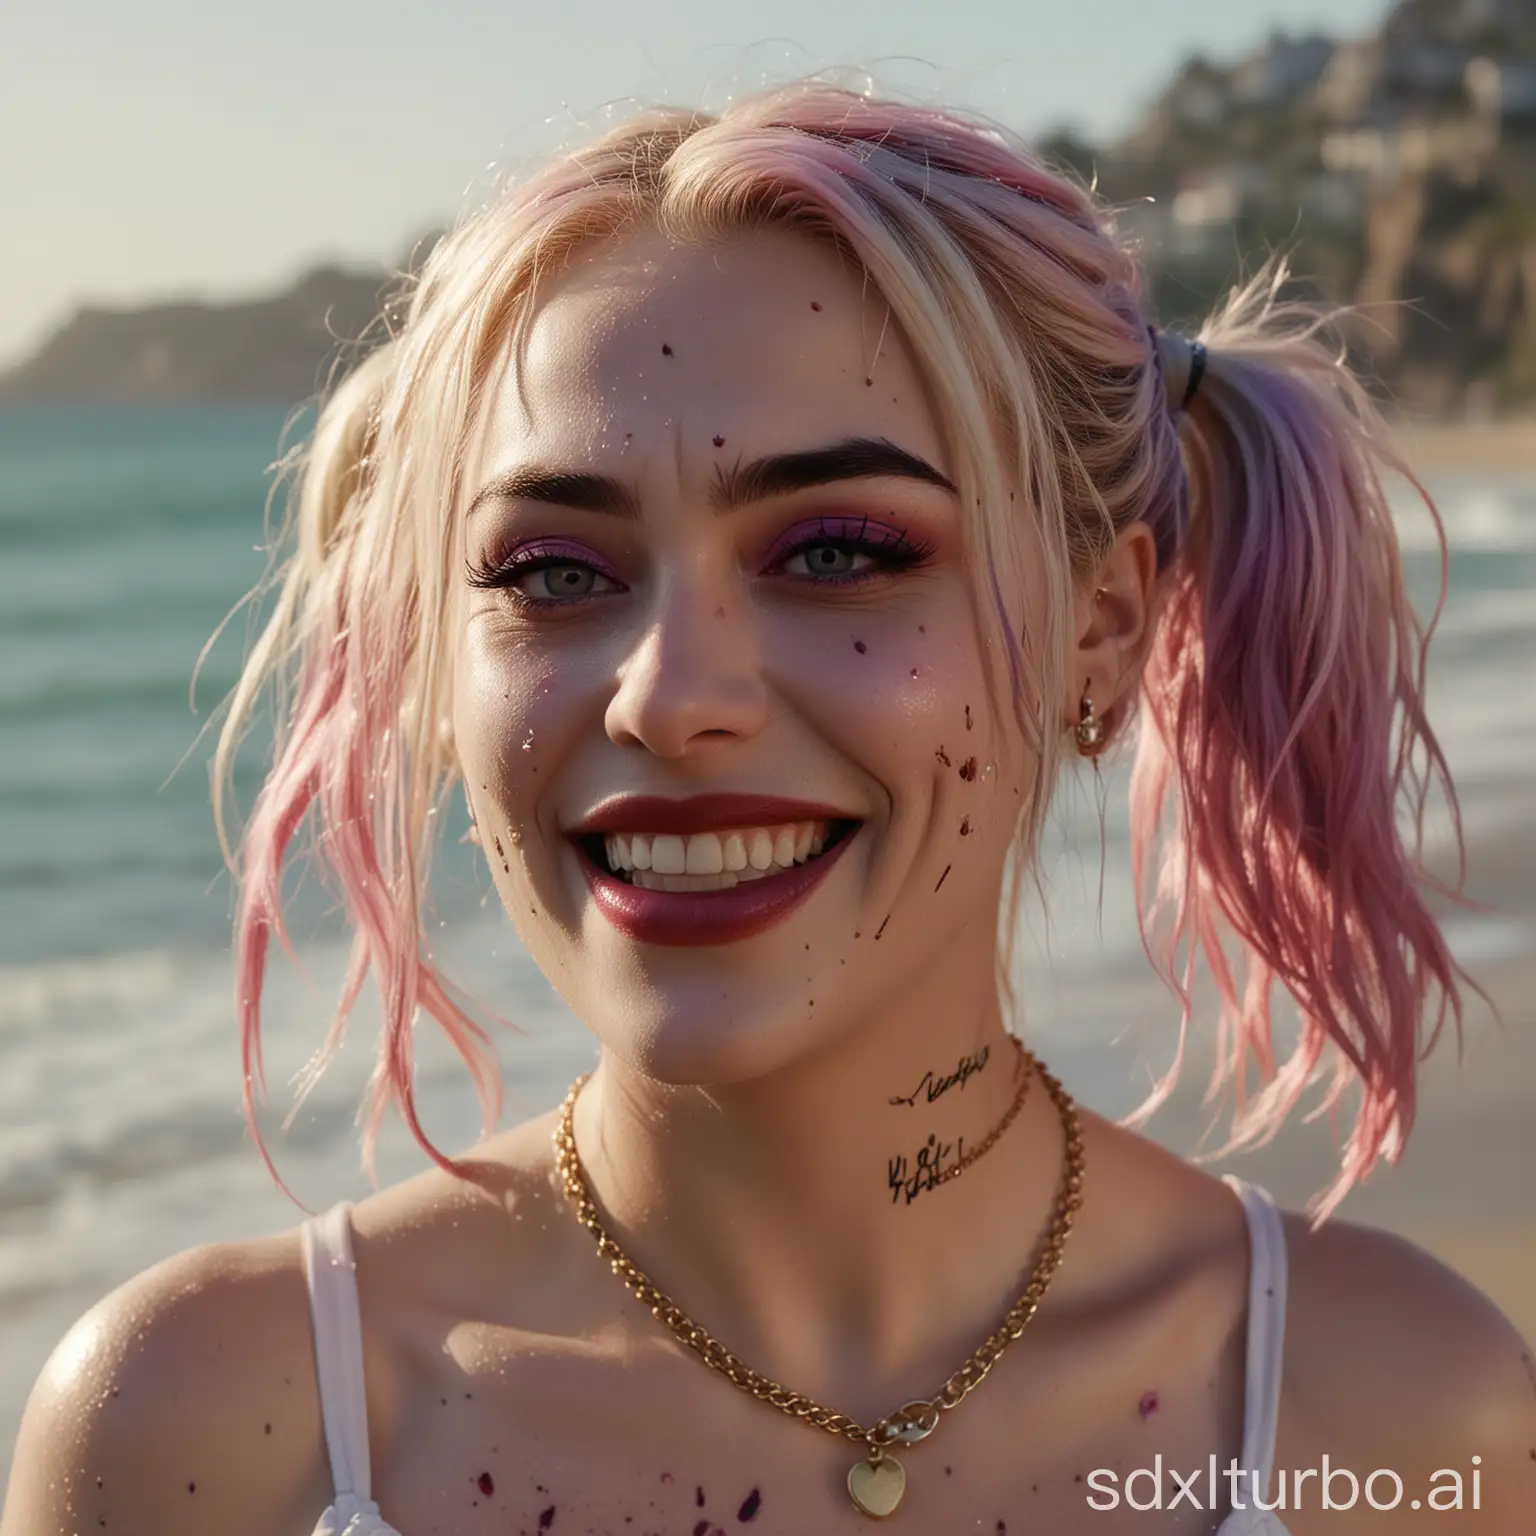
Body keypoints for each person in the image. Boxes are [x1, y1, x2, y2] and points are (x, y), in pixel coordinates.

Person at [3, 79, 1533, 1536]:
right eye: (550, 573)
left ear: (1103, 624)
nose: (669, 696)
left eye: (841, 551)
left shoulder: (1392, 1419)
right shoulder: (215, 1433)